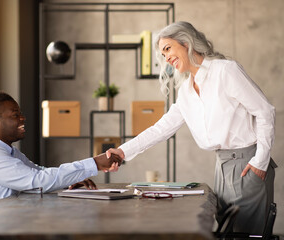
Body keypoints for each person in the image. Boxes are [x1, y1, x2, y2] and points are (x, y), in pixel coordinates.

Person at [106, 21, 276, 234]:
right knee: (229, 232)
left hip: (246, 163)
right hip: (222, 165)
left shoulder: (225, 71)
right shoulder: (187, 90)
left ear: (186, 43)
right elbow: (162, 128)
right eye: (163, 54)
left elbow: (264, 111)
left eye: (168, 49)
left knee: (247, 234)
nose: (166, 58)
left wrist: (260, 161)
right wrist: (122, 152)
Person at [0, 90, 121, 213]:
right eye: (15, 115)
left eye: (20, 113)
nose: (23, 118)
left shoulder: (5, 150)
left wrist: (68, 181)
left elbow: (38, 172)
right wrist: (95, 163)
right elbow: (36, 180)